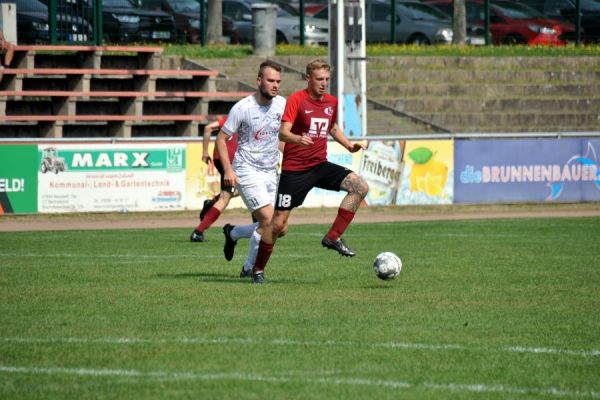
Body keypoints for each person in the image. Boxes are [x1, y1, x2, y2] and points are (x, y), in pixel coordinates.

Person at [250, 58, 369, 284]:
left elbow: (332, 127)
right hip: (295, 170)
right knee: (277, 225)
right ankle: (257, 269)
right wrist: (297, 139)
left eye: (326, 79)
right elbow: (282, 132)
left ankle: (333, 237)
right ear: (308, 79)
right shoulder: (297, 99)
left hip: (320, 165)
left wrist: (349, 145)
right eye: (319, 79)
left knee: (360, 186)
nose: (323, 83)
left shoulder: (331, 102)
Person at [216, 60, 286, 281]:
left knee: (280, 228)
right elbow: (221, 138)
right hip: (246, 169)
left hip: (270, 171)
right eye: (270, 80)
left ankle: (234, 233)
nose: (275, 85)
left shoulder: (282, 104)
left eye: (278, 81)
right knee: (267, 221)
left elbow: (281, 137)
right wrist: (228, 170)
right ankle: (251, 269)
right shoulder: (242, 108)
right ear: (259, 81)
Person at [190, 116, 240, 242]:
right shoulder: (244, 117)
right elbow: (208, 128)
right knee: (225, 197)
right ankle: (198, 232)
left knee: (238, 191)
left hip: (220, 157)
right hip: (231, 160)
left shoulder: (231, 117)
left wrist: (205, 152)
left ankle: (211, 203)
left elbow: (208, 128)